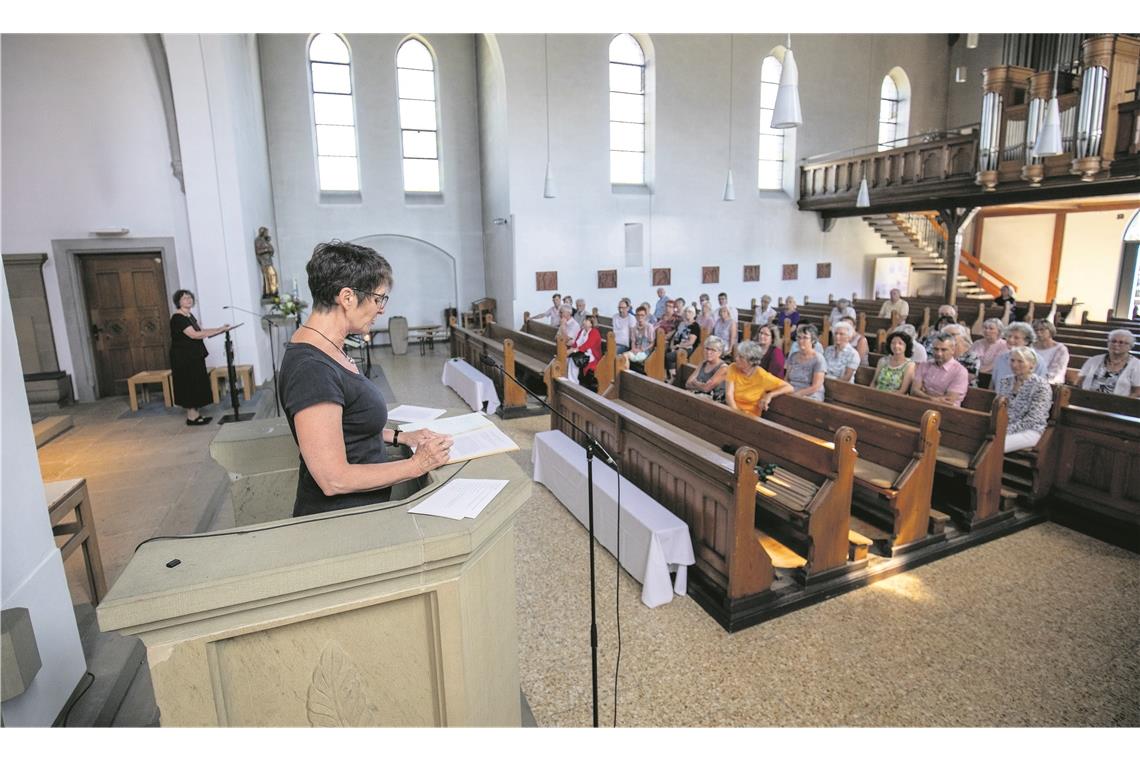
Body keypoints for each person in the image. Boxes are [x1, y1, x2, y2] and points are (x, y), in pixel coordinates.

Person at [278, 240, 453, 517]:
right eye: (378, 298)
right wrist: (417, 465)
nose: (381, 309)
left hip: (360, 511)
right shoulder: (311, 368)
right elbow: (333, 479)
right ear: (347, 297)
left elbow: (345, 427)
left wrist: (401, 436)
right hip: (339, 521)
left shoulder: (328, 347)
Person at [169, 289, 229, 425]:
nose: (188, 300)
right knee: (189, 384)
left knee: (196, 383)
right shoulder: (178, 318)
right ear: (178, 302)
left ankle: (196, 415)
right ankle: (191, 417)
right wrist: (219, 330)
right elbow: (194, 335)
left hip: (193, 355)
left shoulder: (189, 316)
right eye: (184, 298)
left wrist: (219, 329)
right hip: (183, 357)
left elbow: (201, 331)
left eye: (190, 297)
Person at [996, 347, 1053, 453]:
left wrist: (1005, 430)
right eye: (1012, 360)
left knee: (996, 445)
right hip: (1004, 426)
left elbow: (1034, 419)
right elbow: (1000, 407)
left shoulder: (1041, 385)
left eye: (1020, 361)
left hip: (1030, 430)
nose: (1014, 365)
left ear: (1032, 365)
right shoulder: (1006, 380)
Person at [725, 340, 793, 417]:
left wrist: (770, 395)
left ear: (751, 361)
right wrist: (737, 414)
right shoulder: (733, 367)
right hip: (733, 411)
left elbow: (789, 387)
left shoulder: (762, 376)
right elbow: (729, 395)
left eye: (741, 357)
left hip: (751, 417)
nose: (736, 359)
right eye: (737, 355)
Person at [910, 331, 969, 406]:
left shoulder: (960, 372)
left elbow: (948, 401)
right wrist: (932, 399)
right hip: (921, 405)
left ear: (952, 350)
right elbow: (914, 391)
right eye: (936, 349)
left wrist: (923, 394)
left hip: (947, 412)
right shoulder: (924, 365)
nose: (939, 353)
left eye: (944, 350)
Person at [1077, 329, 1140, 397]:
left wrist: (1124, 403)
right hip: (1087, 399)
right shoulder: (1094, 360)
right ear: (1108, 343)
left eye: (1121, 342)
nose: (1116, 344)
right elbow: (1079, 381)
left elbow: (1137, 391)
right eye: (1113, 341)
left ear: (1130, 346)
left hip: (1117, 404)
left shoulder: (1136, 365)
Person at [989, 322, 1045, 389]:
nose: (1010, 340)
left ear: (1026, 341)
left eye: (1016, 338)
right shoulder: (1001, 358)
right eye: (1009, 336)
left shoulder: (1037, 360)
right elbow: (993, 382)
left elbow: (1039, 386)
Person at [785, 324, 827, 401]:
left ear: (813, 340)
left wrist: (797, 395)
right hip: (792, 390)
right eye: (799, 337)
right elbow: (787, 378)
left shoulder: (819, 359)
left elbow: (816, 386)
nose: (801, 341)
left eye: (805, 338)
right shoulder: (793, 356)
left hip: (811, 394)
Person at [685, 335, 729, 402]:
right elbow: (687, 384)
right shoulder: (703, 363)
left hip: (715, 403)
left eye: (713, 350)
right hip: (699, 398)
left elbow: (707, 388)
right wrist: (701, 385)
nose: (708, 352)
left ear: (719, 353)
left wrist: (695, 383)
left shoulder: (723, 368)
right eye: (707, 348)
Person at [569, 315, 603, 391]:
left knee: (575, 359)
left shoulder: (594, 332)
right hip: (582, 352)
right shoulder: (582, 331)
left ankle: (573, 382)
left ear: (591, 324)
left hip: (592, 355)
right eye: (584, 320)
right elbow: (576, 343)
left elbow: (587, 345)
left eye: (586, 320)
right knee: (568, 357)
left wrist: (573, 350)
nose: (584, 322)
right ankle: (568, 379)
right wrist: (571, 349)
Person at [665, 306, 701, 376]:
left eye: (689, 312)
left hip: (687, 348)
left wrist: (679, 346)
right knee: (663, 351)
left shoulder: (695, 326)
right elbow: (675, 336)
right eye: (686, 311)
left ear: (694, 315)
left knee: (668, 356)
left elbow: (691, 342)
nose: (687, 313)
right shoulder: (682, 324)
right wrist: (672, 345)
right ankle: (668, 375)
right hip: (676, 346)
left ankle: (673, 375)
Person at [1032, 319, 1070, 385]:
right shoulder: (1030, 347)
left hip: (1050, 383)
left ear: (1050, 331)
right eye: (1036, 330)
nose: (1038, 333)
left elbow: (1057, 372)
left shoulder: (1060, 350)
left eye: (1042, 330)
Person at [626, 305, 656, 373]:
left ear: (645, 316)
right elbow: (633, 341)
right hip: (636, 350)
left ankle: (628, 374)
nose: (640, 317)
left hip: (644, 352)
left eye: (642, 315)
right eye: (638, 315)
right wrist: (633, 349)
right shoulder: (634, 328)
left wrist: (642, 349)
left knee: (625, 356)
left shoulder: (649, 327)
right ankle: (629, 374)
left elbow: (652, 343)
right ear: (636, 316)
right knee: (621, 357)